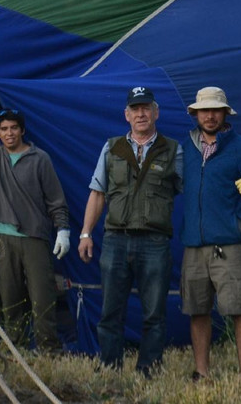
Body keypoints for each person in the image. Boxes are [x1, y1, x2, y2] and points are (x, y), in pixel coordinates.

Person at [0, 68, 70, 353]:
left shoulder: (40, 159)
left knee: (42, 298)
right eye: (4, 129)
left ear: (22, 130)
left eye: (13, 128)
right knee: (10, 301)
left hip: (35, 238)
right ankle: (16, 352)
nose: (9, 133)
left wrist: (63, 230)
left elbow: (56, 200)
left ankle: (48, 352)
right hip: (2, 239)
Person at [78, 86, 182, 376]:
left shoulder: (173, 150)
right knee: (110, 311)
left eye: (146, 108)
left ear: (156, 112)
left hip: (155, 242)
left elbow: (191, 188)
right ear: (126, 115)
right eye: (135, 109)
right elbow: (97, 193)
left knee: (154, 312)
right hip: (116, 240)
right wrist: (85, 233)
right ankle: (109, 366)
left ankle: (149, 369)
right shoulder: (111, 148)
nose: (141, 114)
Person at [180, 87, 241, 380]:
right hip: (194, 245)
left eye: (215, 110)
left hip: (231, 245)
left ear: (225, 113)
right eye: (204, 111)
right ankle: (202, 372)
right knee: (198, 310)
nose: (210, 116)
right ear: (195, 114)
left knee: (240, 310)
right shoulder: (184, 149)